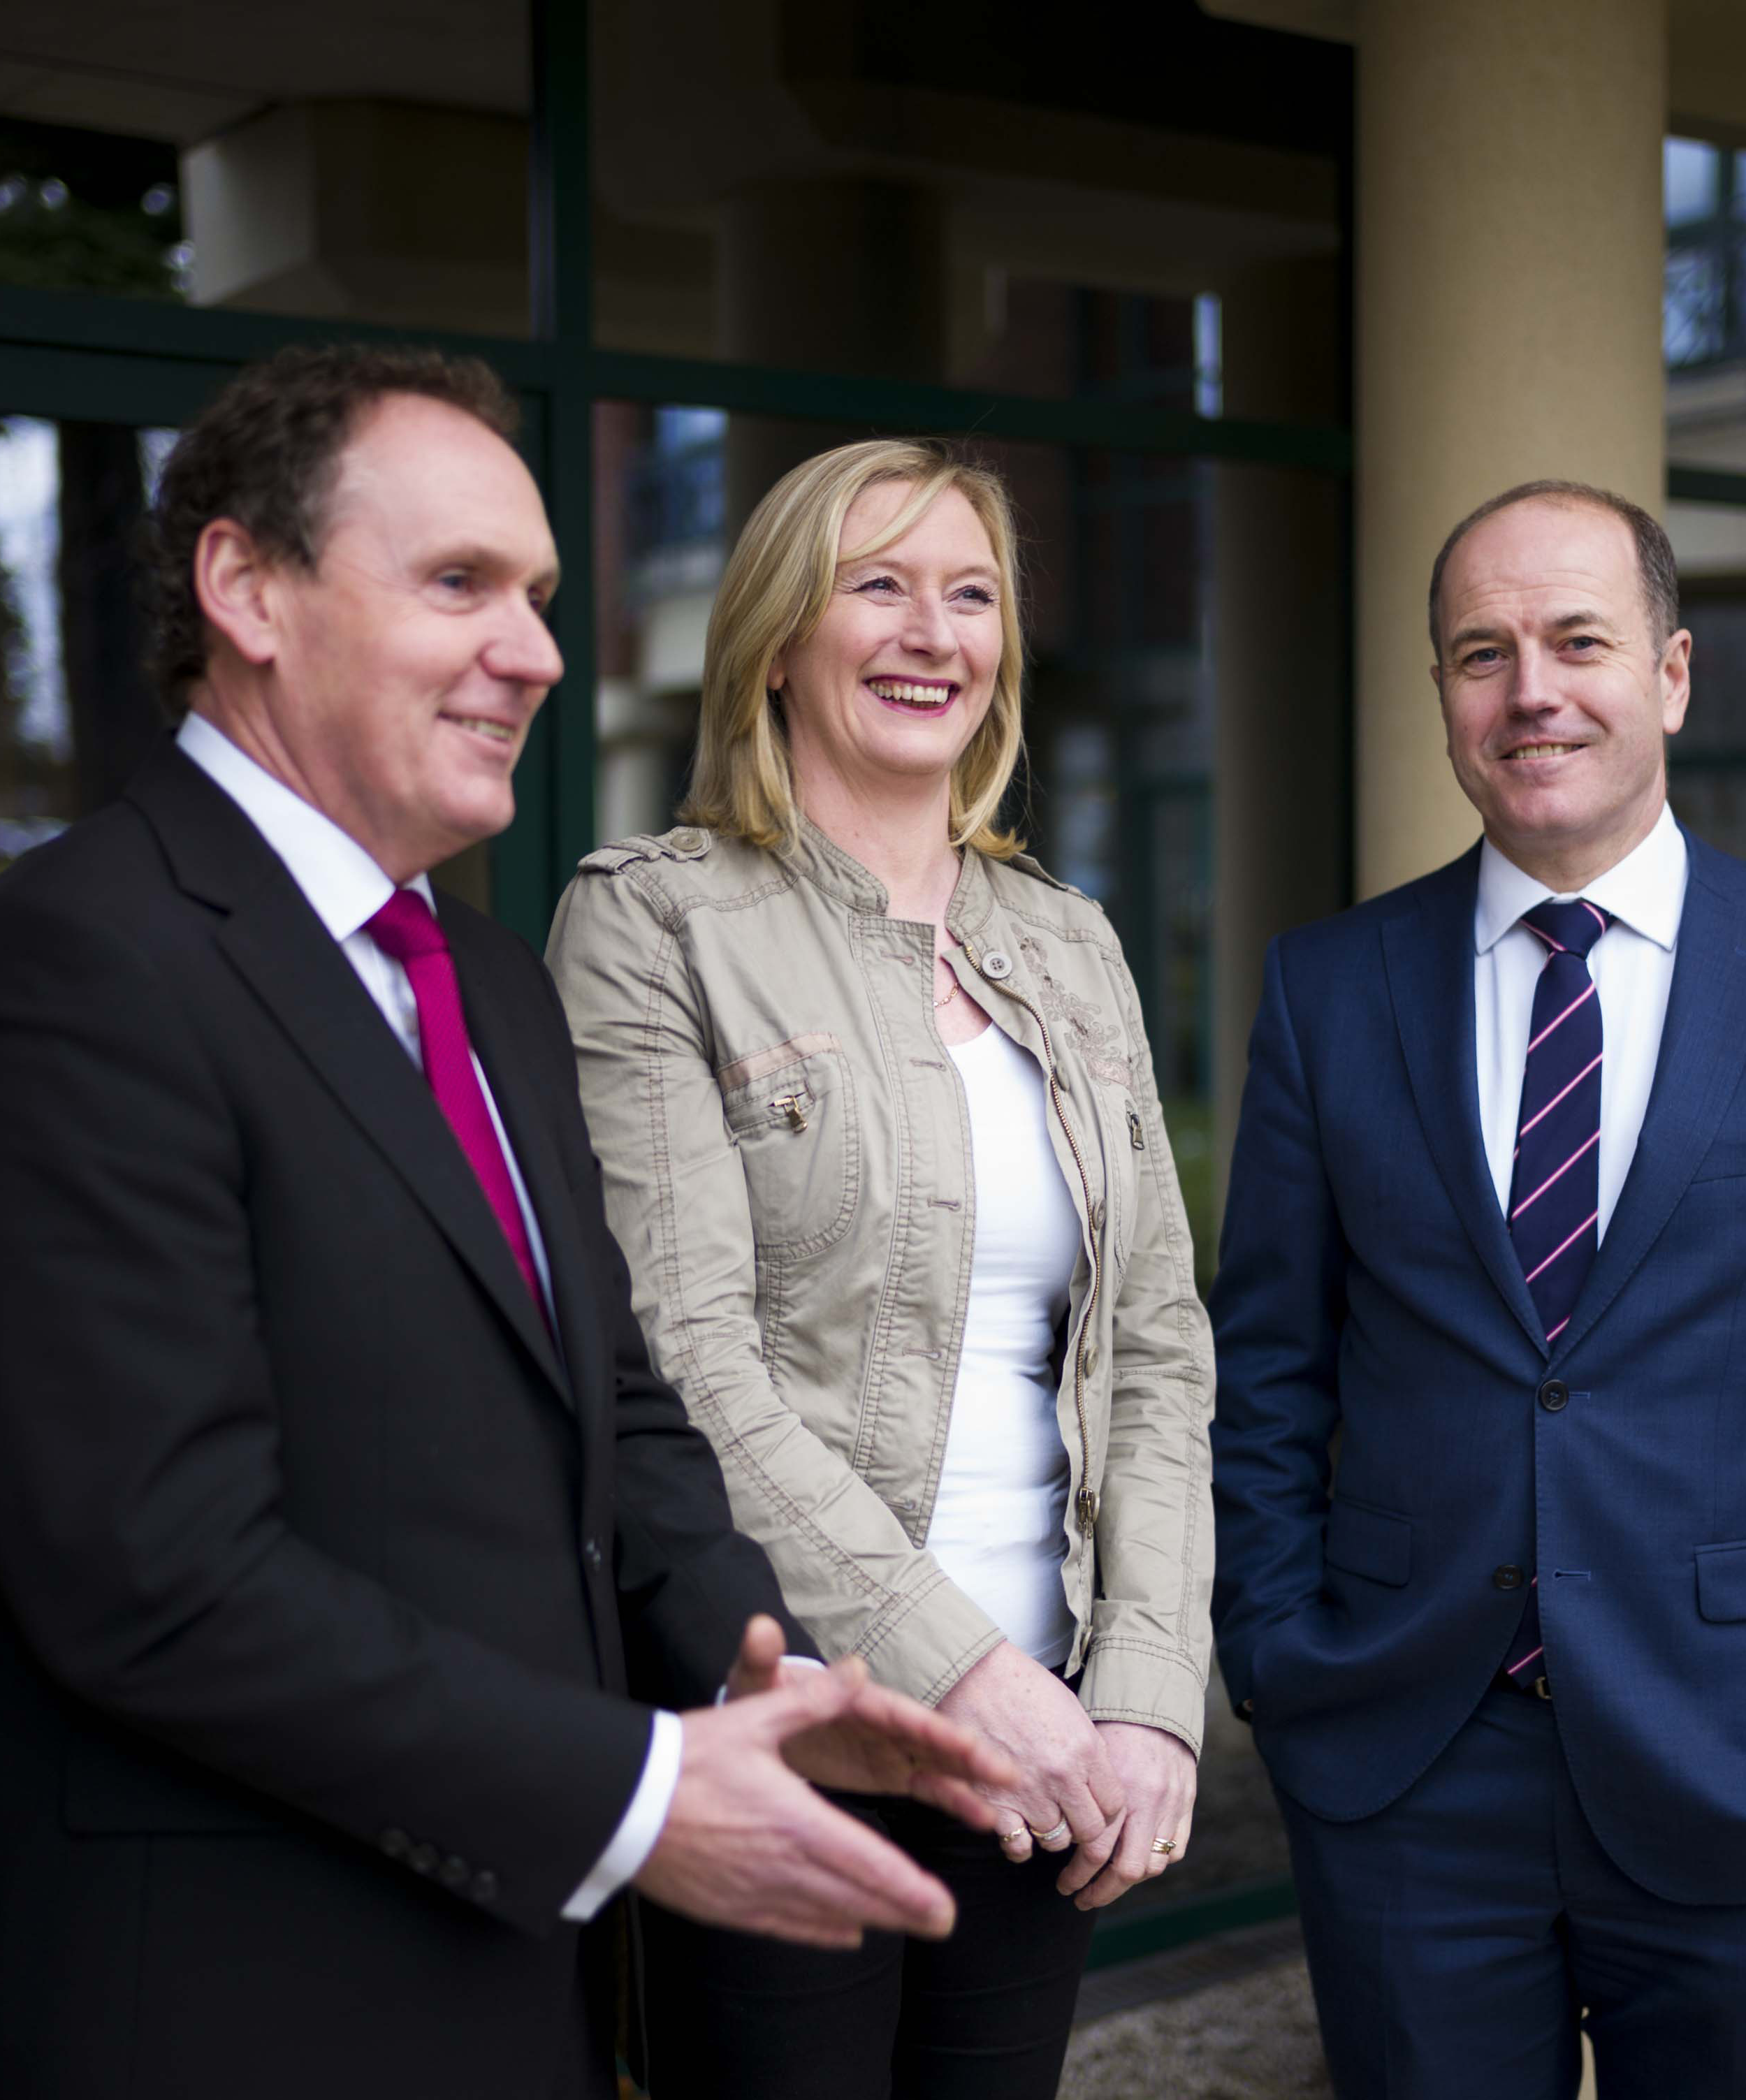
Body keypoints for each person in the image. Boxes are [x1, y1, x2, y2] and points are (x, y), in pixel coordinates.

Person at [0, 344, 1016, 2099]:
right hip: (221, 2007)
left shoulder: (479, 976)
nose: (540, 651)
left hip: (507, 1975)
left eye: (544, 595)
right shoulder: (66, 966)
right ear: (245, 586)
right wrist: (633, 1800)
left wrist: (765, 1661)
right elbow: (152, 1572)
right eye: (463, 584)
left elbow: (612, 1402)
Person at [1209, 481, 1746, 2099]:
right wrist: (1278, 1660)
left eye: (1580, 641)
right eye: (1481, 653)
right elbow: (1268, 1367)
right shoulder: (1325, 989)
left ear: (1676, 674)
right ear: (1442, 695)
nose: (1532, 691)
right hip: (1409, 1762)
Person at [548, 439, 1216, 2100]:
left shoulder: (1070, 944)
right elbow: (685, 1362)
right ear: (778, 635)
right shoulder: (654, 924)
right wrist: (966, 1674)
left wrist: (1141, 1698)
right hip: (805, 1716)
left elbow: (1155, 1348)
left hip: (1053, 1738)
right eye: (880, 585)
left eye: (972, 594)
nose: (935, 632)